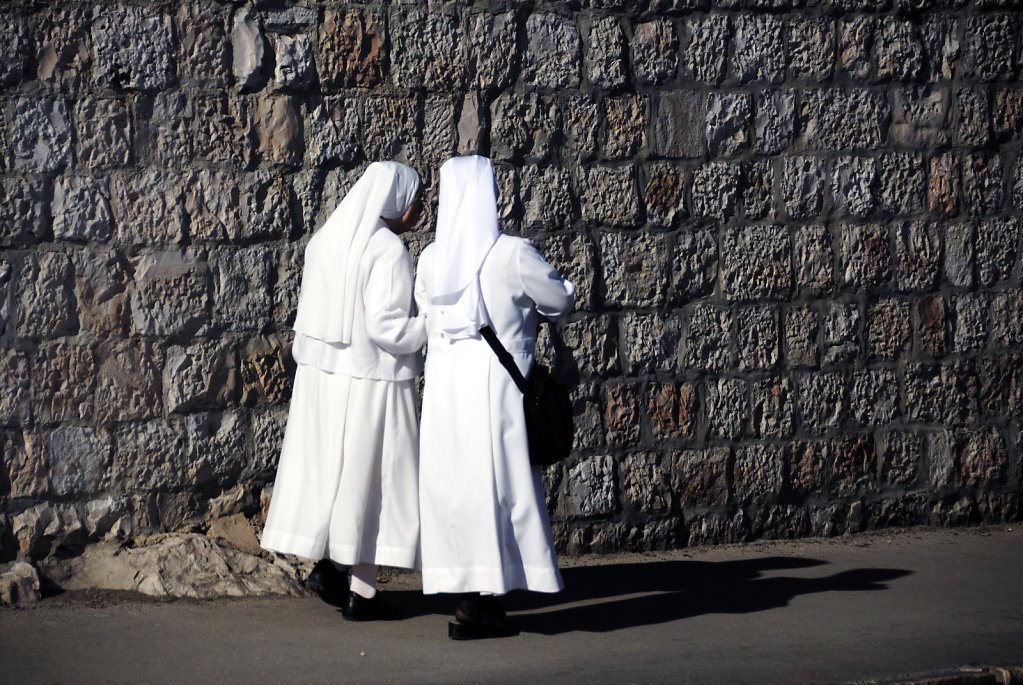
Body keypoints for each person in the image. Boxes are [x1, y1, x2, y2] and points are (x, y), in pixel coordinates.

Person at [414, 155, 575, 639]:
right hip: (497, 387)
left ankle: (474, 597)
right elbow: (560, 299)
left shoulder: (430, 259)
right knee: (502, 488)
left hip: (445, 386)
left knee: (459, 490)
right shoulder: (512, 253)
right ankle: (483, 601)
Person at [261, 161, 426, 621]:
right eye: (416, 201)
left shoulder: (327, 240)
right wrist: (429, 322)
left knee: (333, 474)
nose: (417, 211)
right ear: (397, 203)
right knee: (371, 480)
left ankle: (330, 567)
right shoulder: (388, 250)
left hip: (325, 380)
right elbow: (388, 327)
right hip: (374, 382)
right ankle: (363, 591)